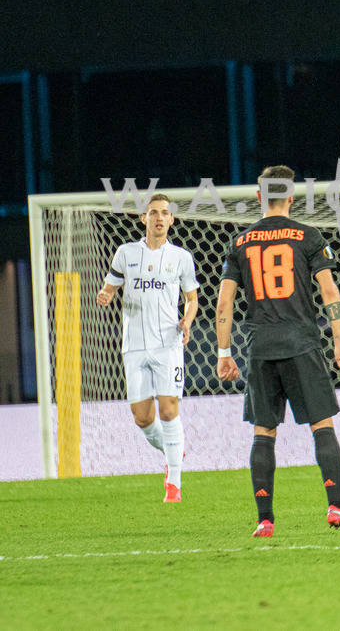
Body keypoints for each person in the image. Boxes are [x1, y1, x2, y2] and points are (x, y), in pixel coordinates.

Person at [215, 165, 340, 538]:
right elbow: (329, 291)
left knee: (263, 431)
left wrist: (223, 352)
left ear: (259, 196)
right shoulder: (308, 236)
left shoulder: (240, 243)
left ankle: (265, 519)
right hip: (302, 343)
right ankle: (337, 506)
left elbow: (224, 303)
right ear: (291, 195)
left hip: (260, 347)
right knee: (322, 424)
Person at [97, 193, 198, 503]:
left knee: (168, 409)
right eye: (153, 212)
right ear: (144, 219)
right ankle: (173, 450)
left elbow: (192, 299)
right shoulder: (126, 253)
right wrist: (106, 295)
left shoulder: (181, 257)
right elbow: (110, 286)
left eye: (164, 213)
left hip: (168, 343)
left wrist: (187, 321)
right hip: (135, 345)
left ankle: (174, 483)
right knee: (142, 417)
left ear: (171, 220)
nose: (159, 217)